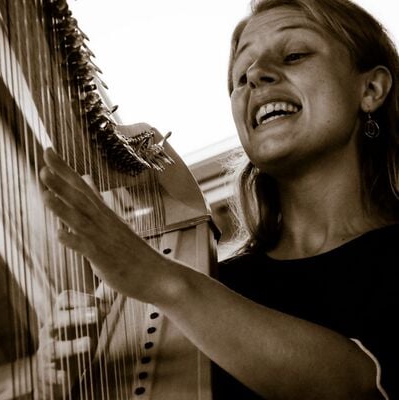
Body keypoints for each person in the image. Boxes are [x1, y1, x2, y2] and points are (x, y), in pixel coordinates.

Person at [39, 0, 399, 399]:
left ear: (371, 89)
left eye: (294, 55)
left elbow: (358, 385)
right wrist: (66, 378)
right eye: (241, 76)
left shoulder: (183, 289)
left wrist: (162, 281)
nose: (257, 75)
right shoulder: (210, 288)